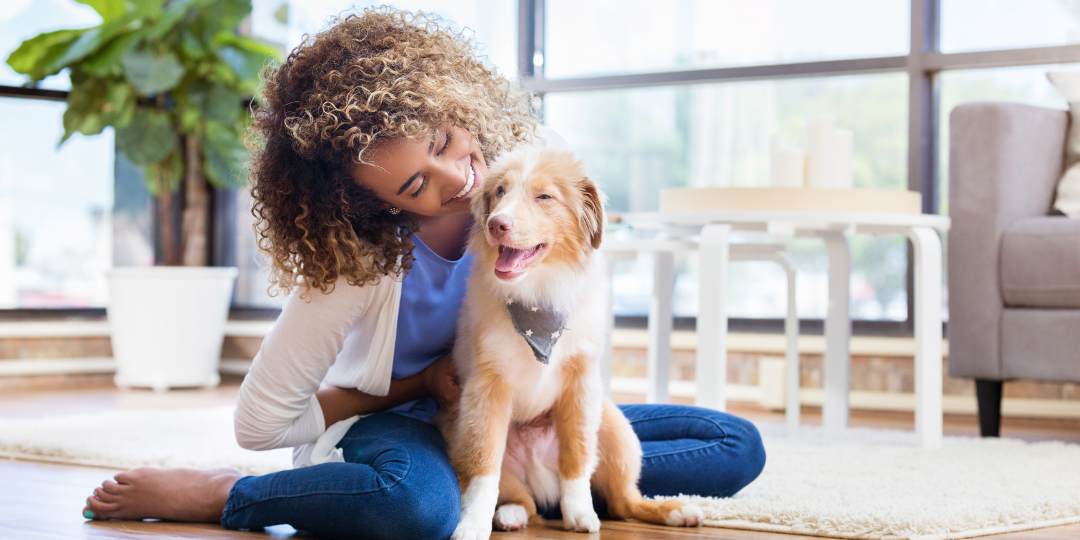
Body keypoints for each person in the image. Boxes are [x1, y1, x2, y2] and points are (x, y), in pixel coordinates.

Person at [81, 8, 766, 540]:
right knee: (414, 510)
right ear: (374, 201)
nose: (458, 176)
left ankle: (542, 483)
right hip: (408, 422)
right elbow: (260, 421)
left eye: (443, 142)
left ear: (450, 102)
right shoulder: (356, 263)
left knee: (734, 446)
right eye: (415, 182)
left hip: (526, 412)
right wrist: (414, 386)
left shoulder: (515, 187)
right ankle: (230, 495)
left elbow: (570, 286)